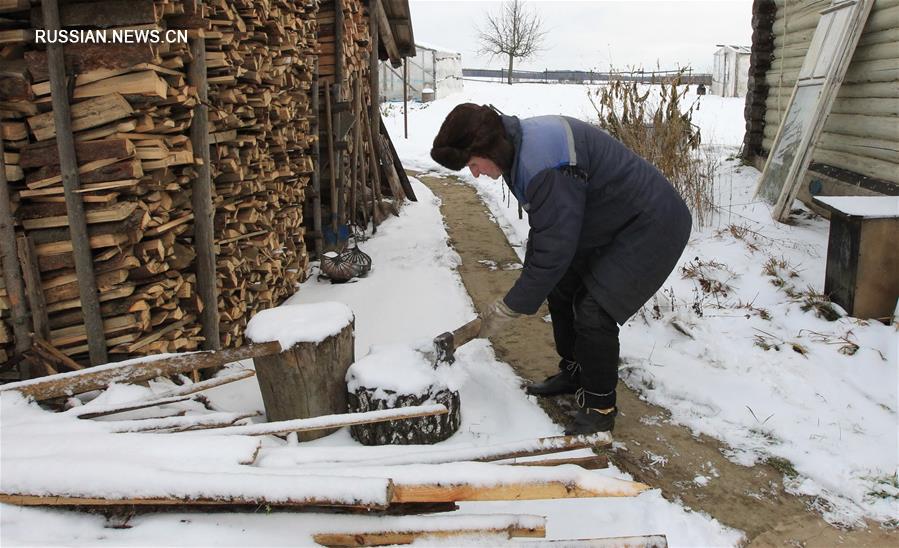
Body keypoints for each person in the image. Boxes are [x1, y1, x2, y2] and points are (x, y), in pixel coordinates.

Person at [430, 103, 692, 435]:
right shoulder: (517, 148)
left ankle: (600, 406)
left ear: (488, 148)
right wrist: (528, 288)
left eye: (472, 164)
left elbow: (553, 250)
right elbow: (549, 233)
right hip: (611, 218)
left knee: (595, 308)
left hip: (653, 223)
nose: (476, 173)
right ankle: (575, 373)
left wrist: (507, 308)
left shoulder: (543, 164)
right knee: (561, 284)